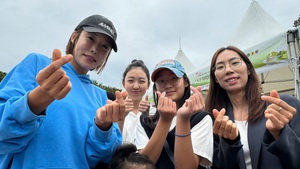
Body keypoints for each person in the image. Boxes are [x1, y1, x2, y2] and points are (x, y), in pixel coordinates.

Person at [0, 14, 127, 169]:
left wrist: (103, 127)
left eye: (104, 46)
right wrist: (36, 101)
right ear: (74, 36)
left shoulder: (102, 97)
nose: (95, 49)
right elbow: (3, 136)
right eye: (91, 38)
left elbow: (104, 159)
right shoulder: (38, 64)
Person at [205, 46, 300, 169]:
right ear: (216, 78)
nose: (228, 70)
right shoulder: (215, 120)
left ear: (248, 70)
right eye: (220, 67)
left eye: (235, 63)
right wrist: (229, 143)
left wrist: (279, 133)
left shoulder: (281, 106)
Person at [135, 59, 213, 169]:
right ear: (155, 87)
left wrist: (182, 119)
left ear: (185, 82)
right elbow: (143, 164)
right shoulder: (144, 121)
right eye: (161, 81)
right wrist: (165, 120)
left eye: (174, 78)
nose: (168, 85)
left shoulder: (201, 118)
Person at [118, 59, 151, 144]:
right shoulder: (114, 110)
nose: (136, 86)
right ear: (123, 83)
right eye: (131, 81)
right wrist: (121, 117)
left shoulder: (155, 113)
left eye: (141, 81)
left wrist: (147, 118)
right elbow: (110, 141)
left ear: (148, 85)